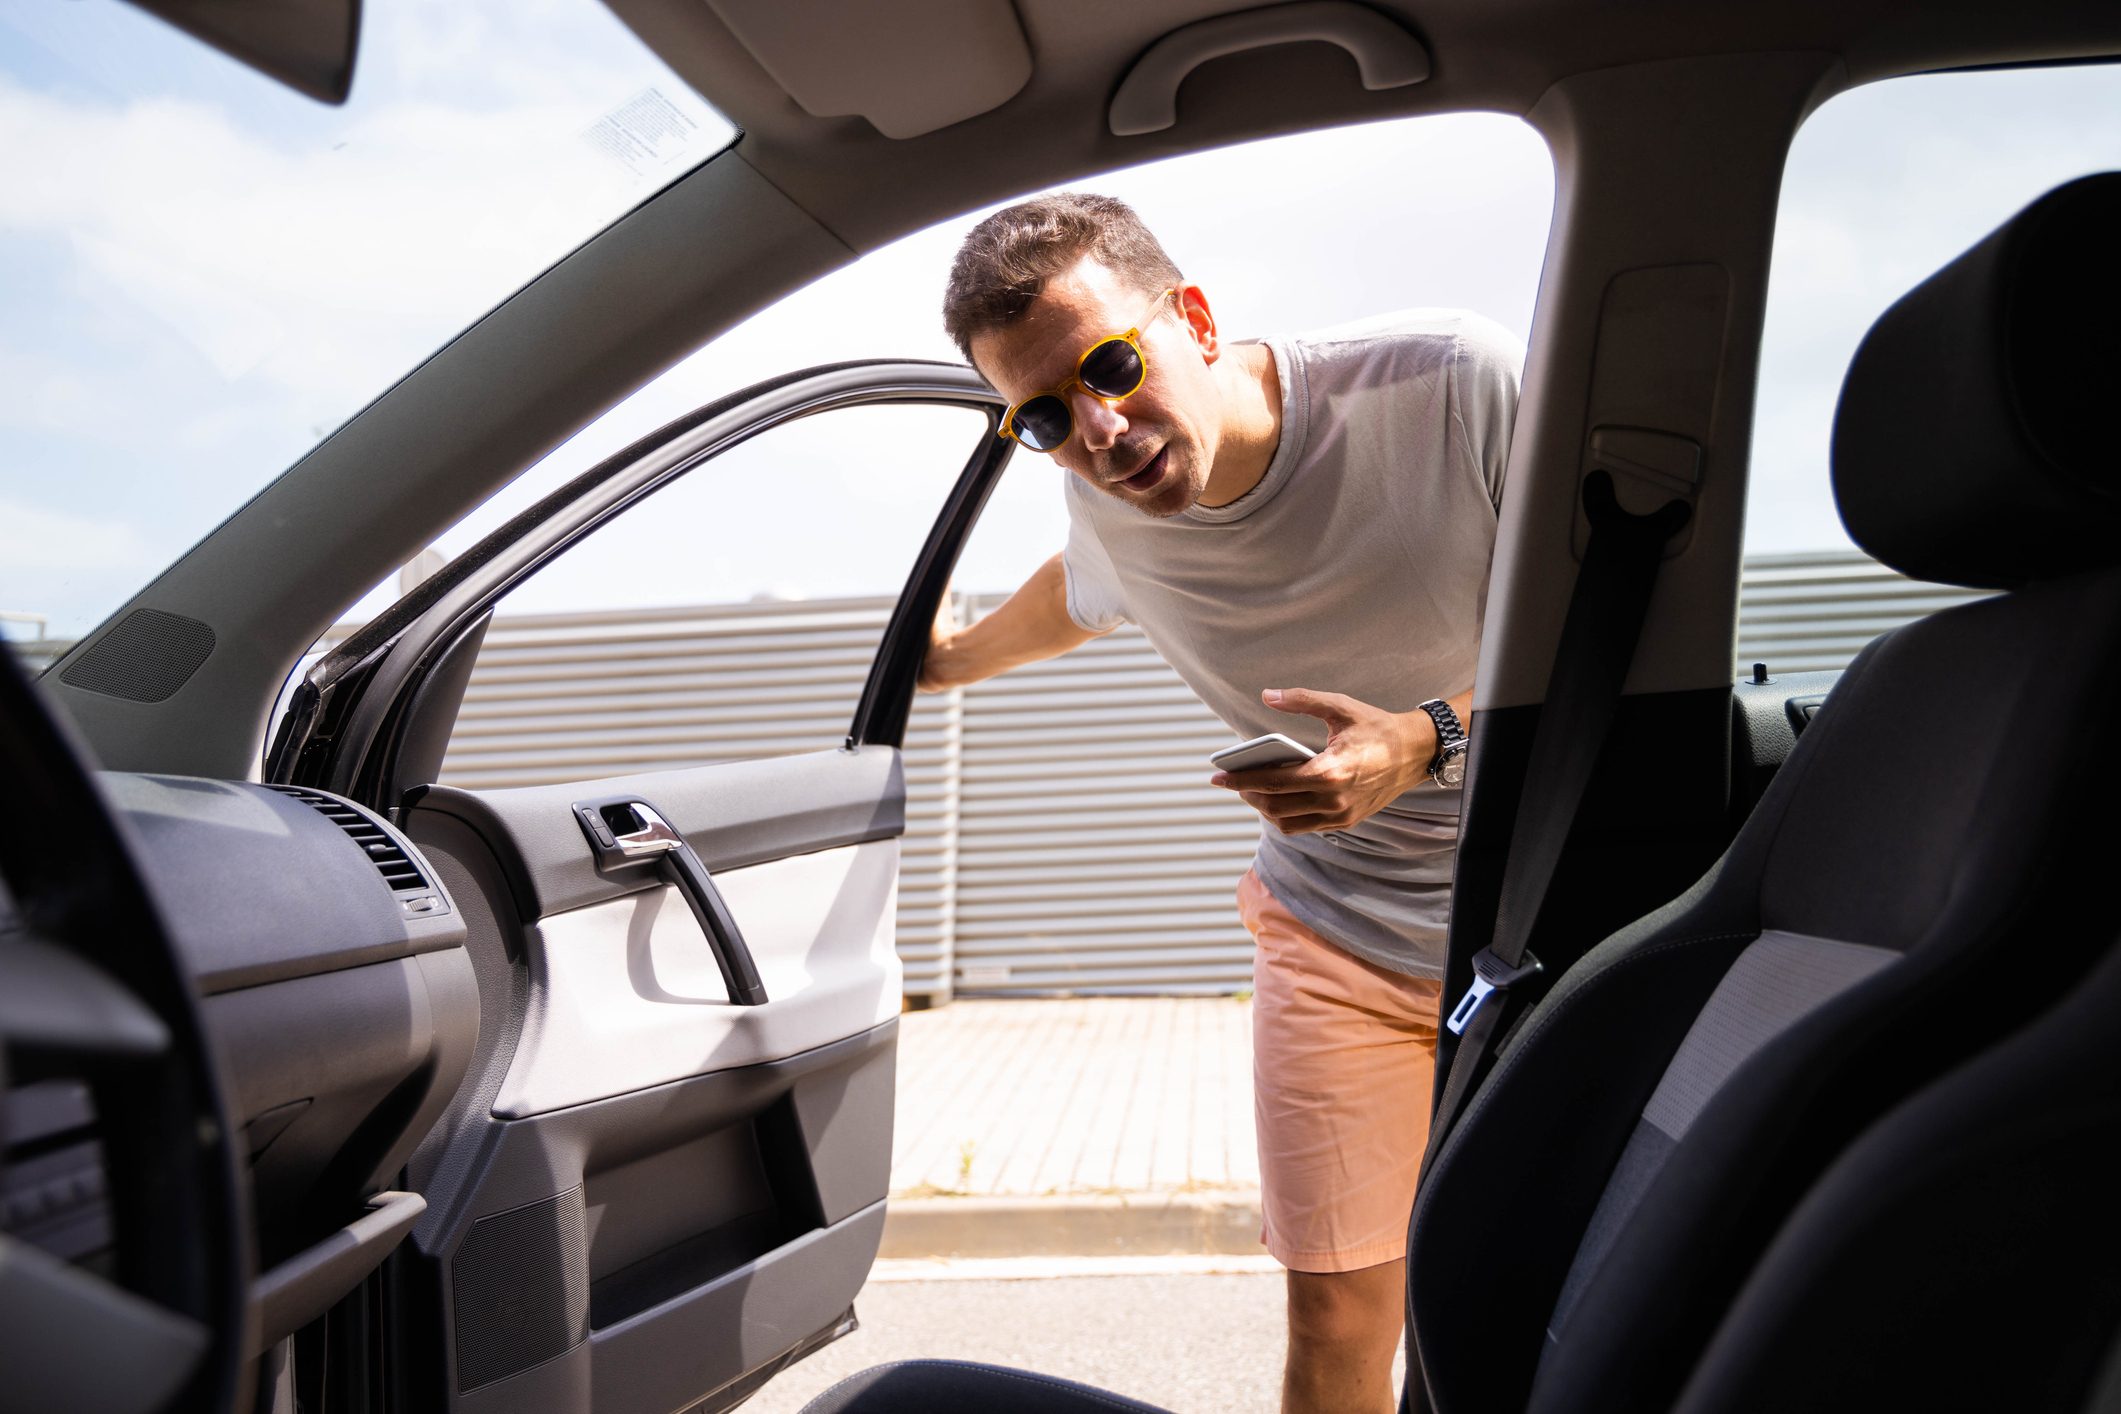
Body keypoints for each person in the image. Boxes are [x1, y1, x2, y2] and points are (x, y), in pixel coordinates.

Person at [919, 191, 1520, 1414]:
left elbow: (1608, 619)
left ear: (1191, 315)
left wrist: (1426, 736)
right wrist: (946, 659)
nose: (1098, 430)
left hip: (1546, 919)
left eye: (1112, 366)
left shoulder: (1449, 384)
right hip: (1339, 934)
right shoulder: (1104, 496)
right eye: (1042, 417)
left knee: (1522, 1296)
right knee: (1339, 1312)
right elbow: (1075, 593)